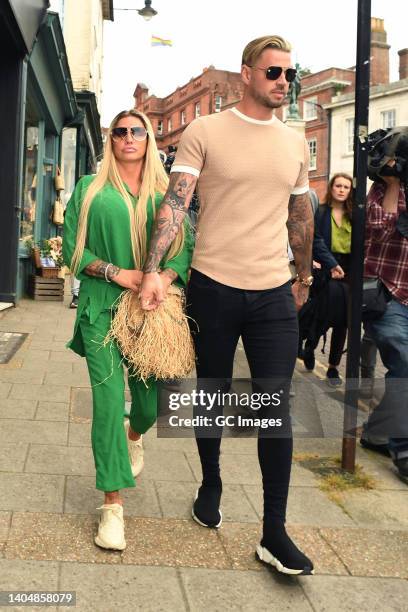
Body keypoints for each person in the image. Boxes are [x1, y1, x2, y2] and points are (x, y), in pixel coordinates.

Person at [139, 35, 315, 575]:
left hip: (272, 291)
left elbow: (300, 212)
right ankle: (211, 480)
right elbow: (175, 202)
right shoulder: (205, 130)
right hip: (213, 284)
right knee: (212, 392)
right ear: (246, 74)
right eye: (273, 73)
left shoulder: (294, 142)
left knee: (273, 408)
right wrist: (152, 271)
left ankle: (274, 532)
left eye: (289, 74)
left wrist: (303, 273)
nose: (283, 81)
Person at [62, 109, 193, 550]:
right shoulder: (89, 189)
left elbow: (182, 252)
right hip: (101, 308)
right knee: (105, 402)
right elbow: (72, 253)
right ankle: (112, 506)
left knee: (151, 407)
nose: (129, 137)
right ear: (110, 140)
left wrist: (162, 278)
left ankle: (133, 435)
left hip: (150, 315)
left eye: (137, 130)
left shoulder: (166, 193)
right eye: (120, 132)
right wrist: (120, 274)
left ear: (149, 138)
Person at [360, 160, 408, 483]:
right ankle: (404, 449)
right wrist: (392, 184)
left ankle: (376, 433)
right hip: (386, 294)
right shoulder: (382, 190)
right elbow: (377, 228)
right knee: (405, 364)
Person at [302, 173, 353, 386]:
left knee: (344, 322)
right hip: (327, 270)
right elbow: (316, 240)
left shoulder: (355, 215)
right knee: (322, 316)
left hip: (349, 273)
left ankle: (333, 367)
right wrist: (331, 264)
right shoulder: (322, 213)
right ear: (331, 188)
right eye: (338, 186)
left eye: (346, 187)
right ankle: (310, 347)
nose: (342, 190)